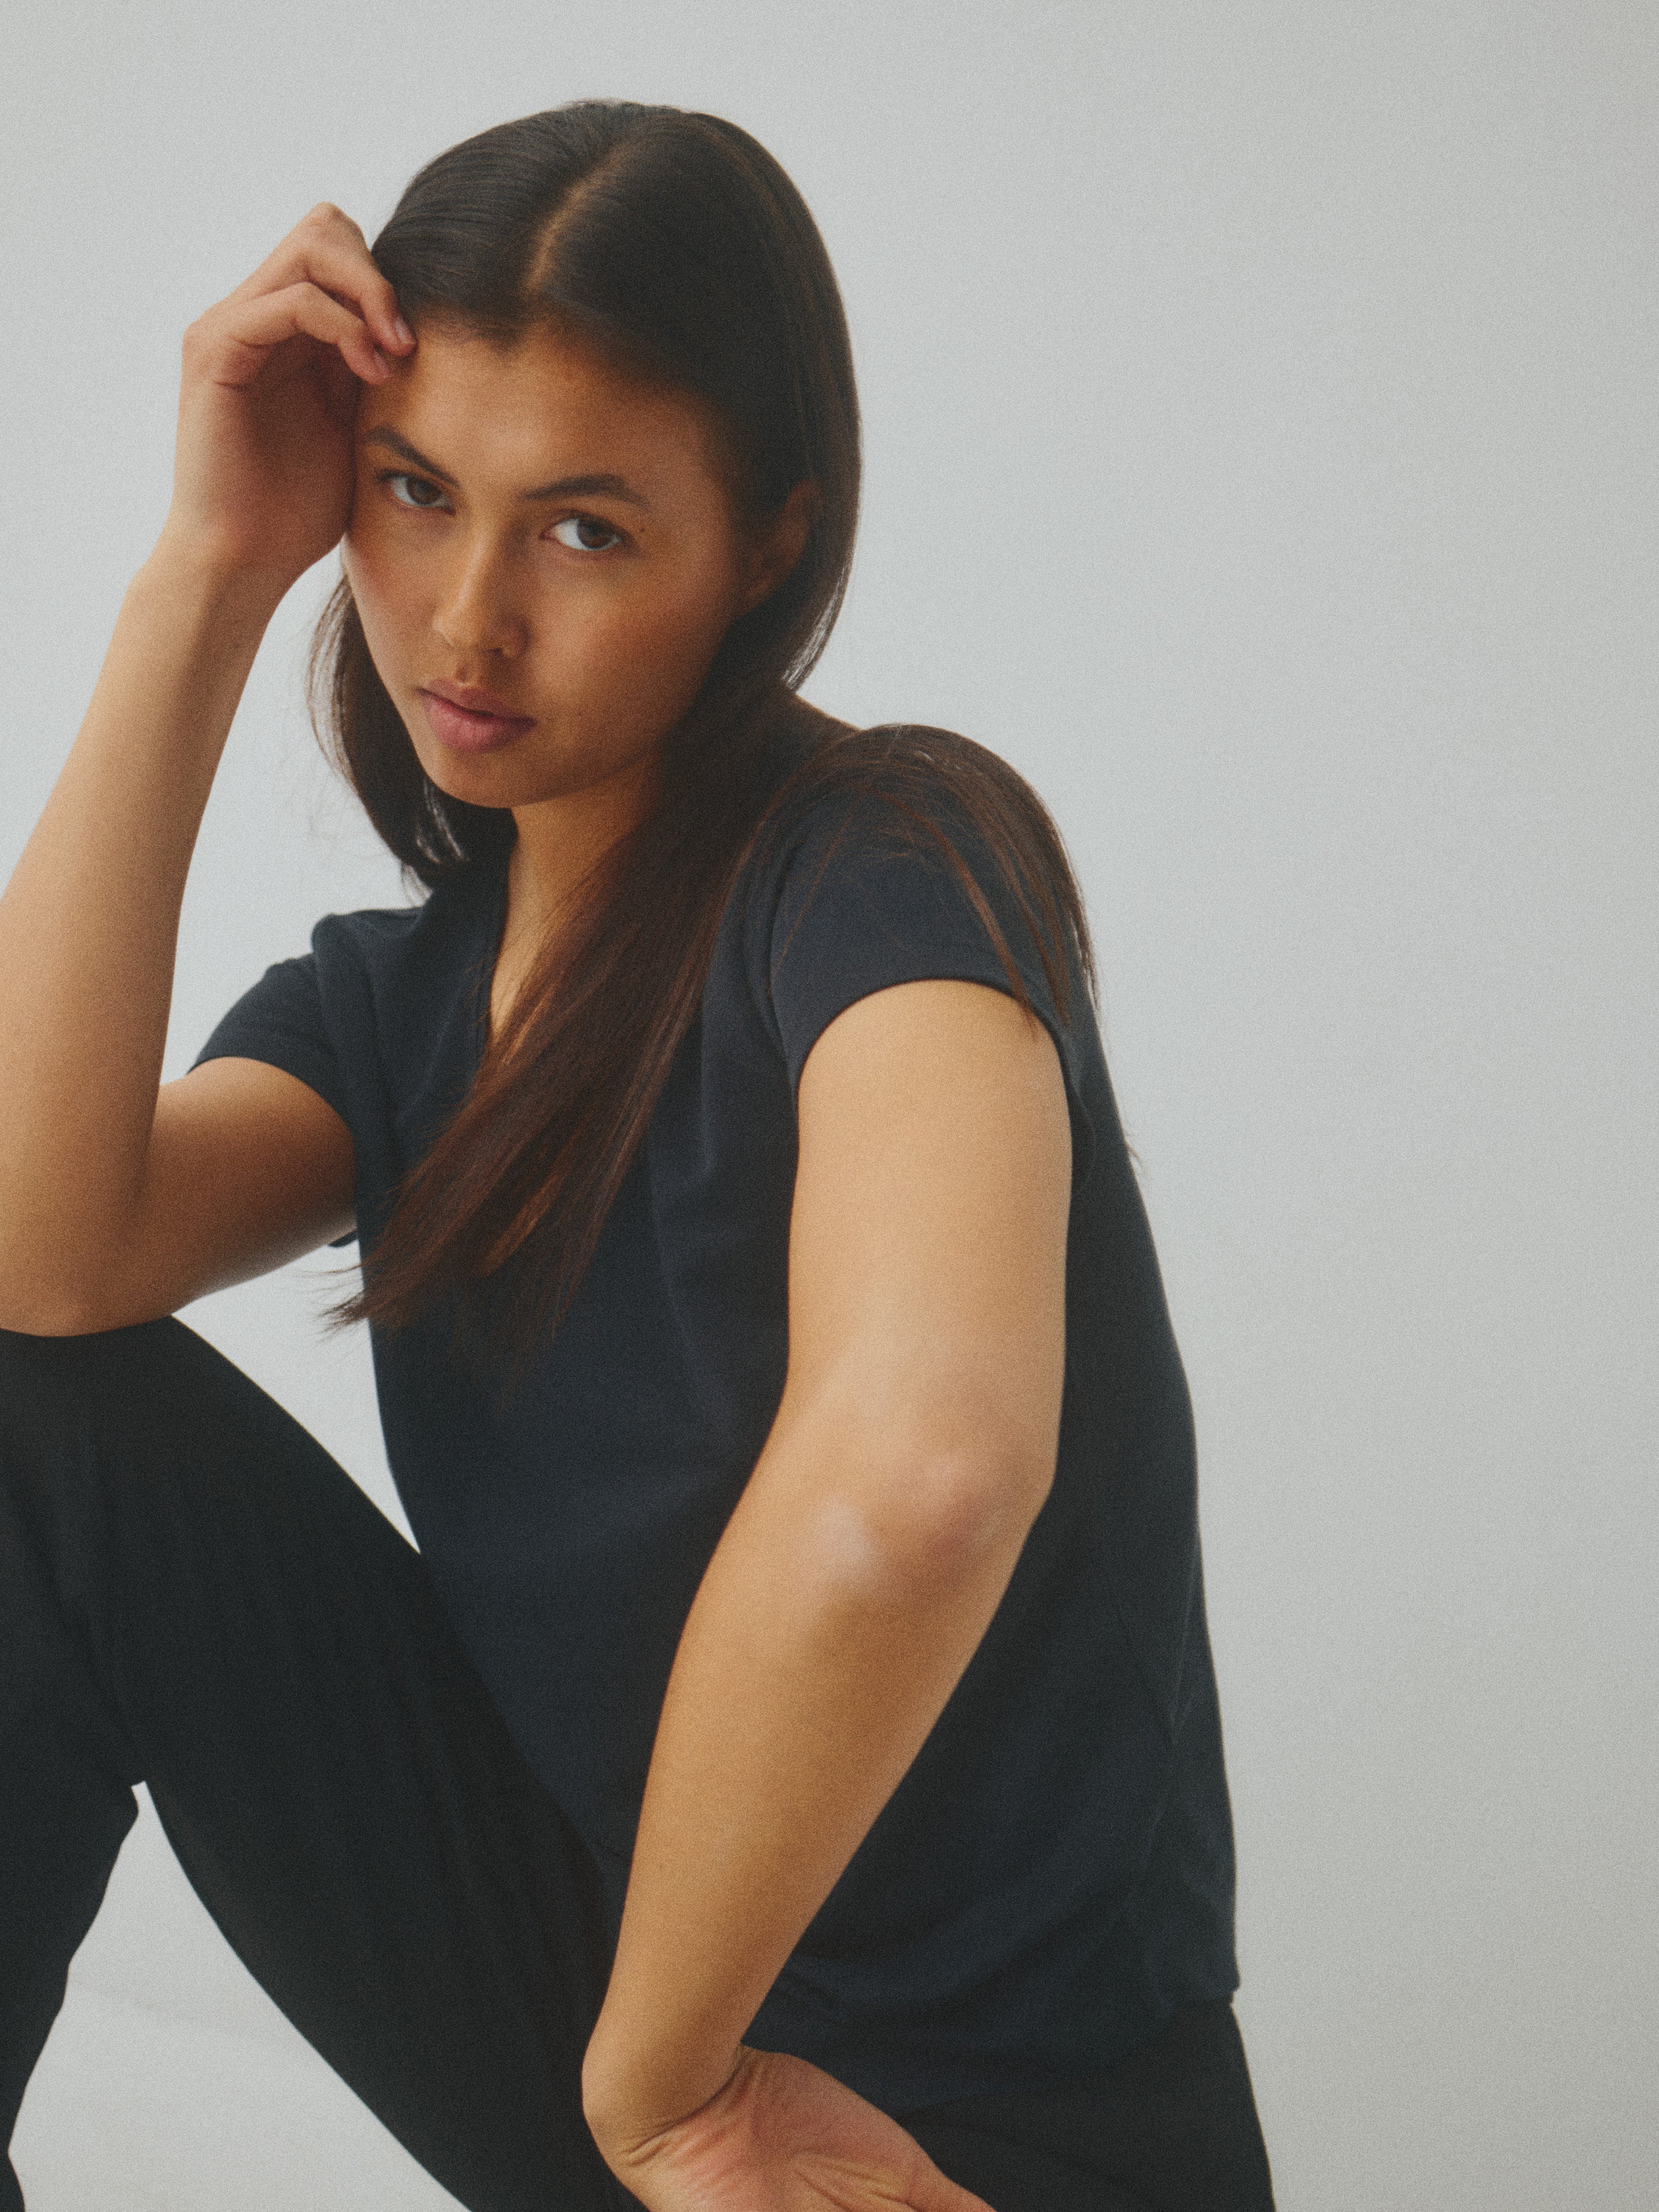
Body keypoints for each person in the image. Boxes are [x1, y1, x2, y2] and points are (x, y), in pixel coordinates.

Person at [0, 101, 1275, 2212]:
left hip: (961, 2133)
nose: (465, 620)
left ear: (768, 542)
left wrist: (669, 2092)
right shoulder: (396, 1011)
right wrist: (206, 573)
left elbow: (924, 1471)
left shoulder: (889, 868)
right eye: (415, 493)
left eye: (583, 531)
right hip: (643, 2048)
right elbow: (36, 1265)